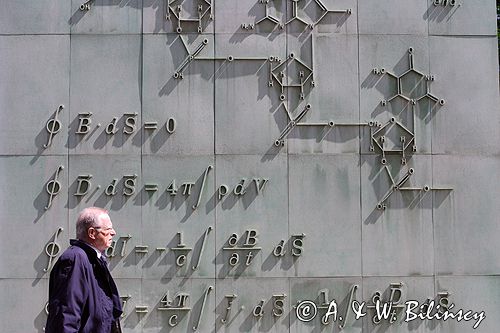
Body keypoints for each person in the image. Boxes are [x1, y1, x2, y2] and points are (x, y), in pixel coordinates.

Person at [45, 207, 122, 333]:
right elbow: (66, 315)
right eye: (108, 229)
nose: (113, 232)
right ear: (92, 233)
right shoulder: (75, 259)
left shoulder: (93, 260)